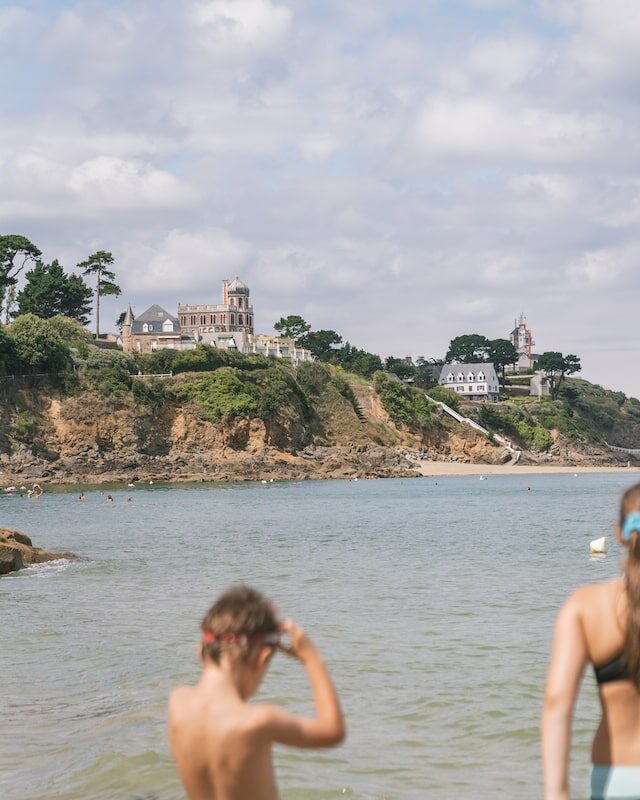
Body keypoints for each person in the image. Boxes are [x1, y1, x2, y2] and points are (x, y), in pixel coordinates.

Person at [168, 586, 345, 800]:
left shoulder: (178, 702)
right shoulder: (258, 721)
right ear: (261, 659)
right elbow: (333, 731)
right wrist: (312, 660)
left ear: (201, 653)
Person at [543, 482, 640, 800]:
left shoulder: (585, 605)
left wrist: (557, 793)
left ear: (620, 535)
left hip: (617, 778)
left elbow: (558, 702)